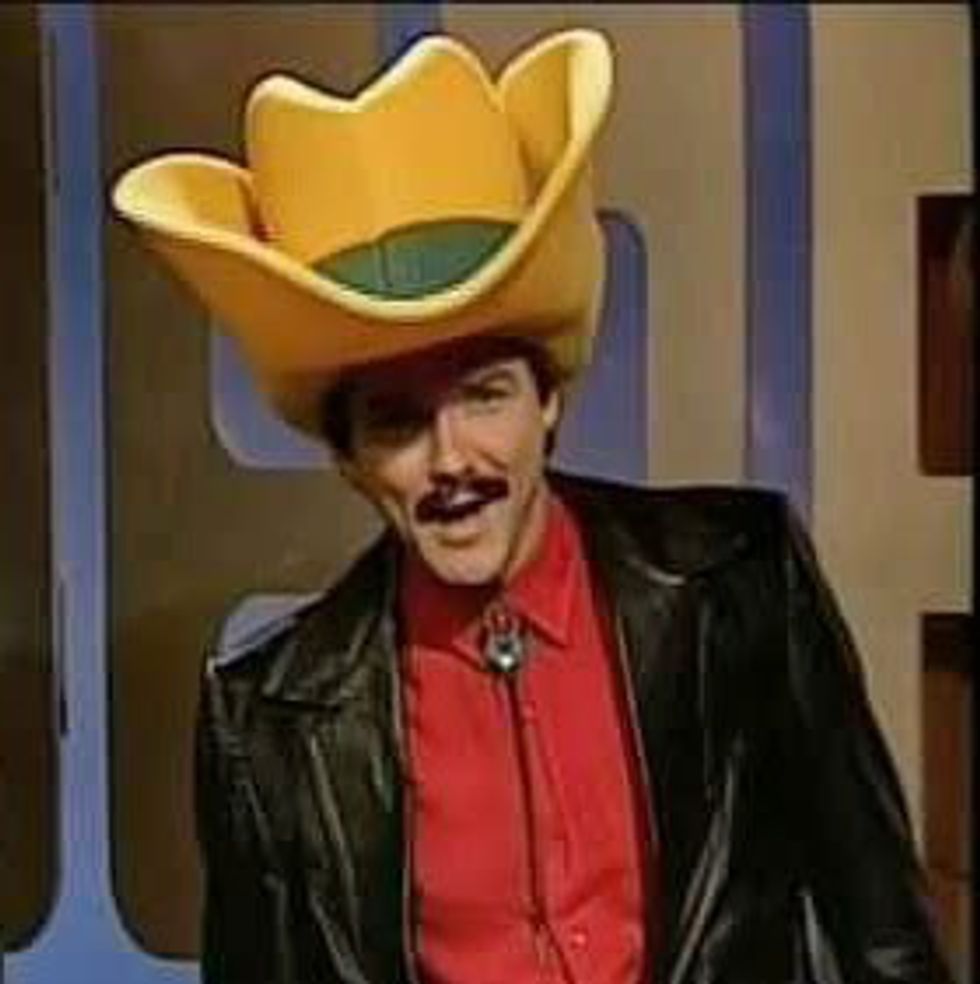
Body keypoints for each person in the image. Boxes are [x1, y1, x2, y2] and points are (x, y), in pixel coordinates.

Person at [112, 27, 952, 984]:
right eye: (398, 422)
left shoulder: (737, 579)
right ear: (348, 457)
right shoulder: (268, 718)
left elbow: (886, 937)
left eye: (485, 395)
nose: (451, 460)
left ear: (549, 397)